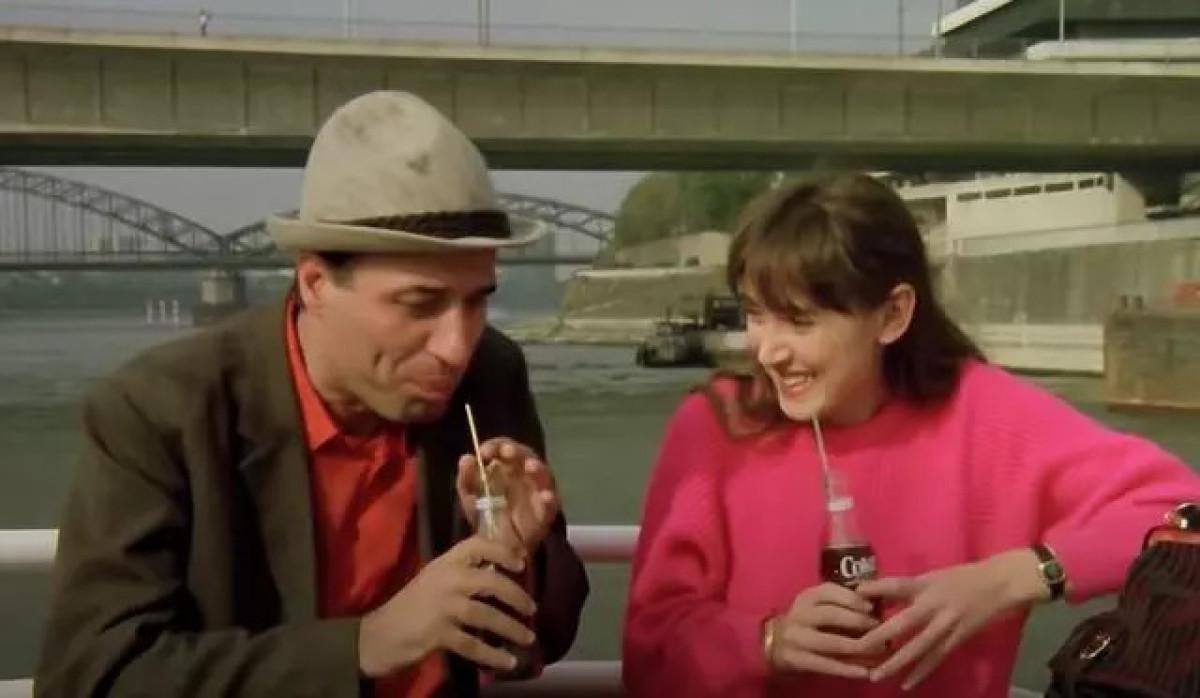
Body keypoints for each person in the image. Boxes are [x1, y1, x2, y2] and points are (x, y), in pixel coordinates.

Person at [35, 90, 589, 697]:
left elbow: (544, 636)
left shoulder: (490, 373)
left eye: (477, 302)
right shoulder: (158, 411)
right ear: (316, 283)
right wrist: (367, 644)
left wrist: (519, 557)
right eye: (420, 304)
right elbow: (92, 676)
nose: (456, 347)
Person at [622, 172, 1200, 697]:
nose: (768, 351)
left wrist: (1008, 580)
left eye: (799, 321)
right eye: (754, 315)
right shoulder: (715, 426)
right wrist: (766, 643)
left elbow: (1180, 508)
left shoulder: (983, 414)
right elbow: (649, 650)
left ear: (893, 314)